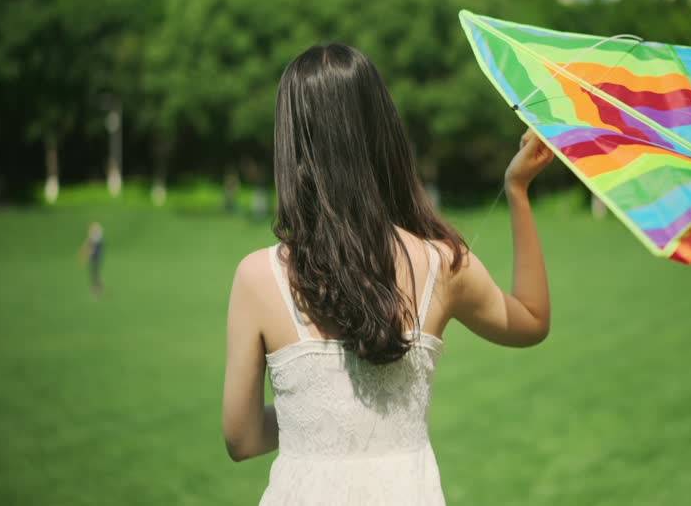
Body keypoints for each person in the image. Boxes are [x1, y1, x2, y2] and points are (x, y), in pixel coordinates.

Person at [222, 44, 552, 505]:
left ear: (291, 142)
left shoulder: (257, 277)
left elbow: (241, 438)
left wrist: (312, 419)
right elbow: (532, 320)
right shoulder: (442, 263)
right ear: (381, 131)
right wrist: (517, 190)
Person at [81, 222, 104, 296]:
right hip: (96, 258)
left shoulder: (96, 239)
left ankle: (97, 288)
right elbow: (88, 246)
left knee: (95, 273)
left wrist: (86, 256)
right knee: (95, 273)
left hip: (96, 258)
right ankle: (98, 286)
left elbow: (91, 249)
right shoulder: (95, 238)